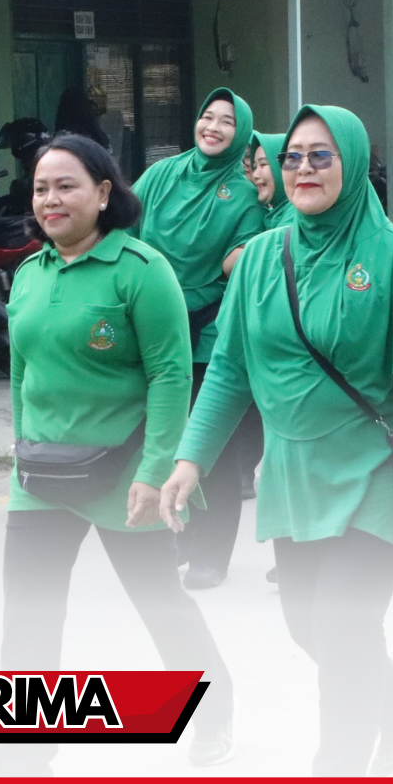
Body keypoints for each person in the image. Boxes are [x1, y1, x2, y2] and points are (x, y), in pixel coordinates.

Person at [160, 104, 393, 778]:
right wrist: (190, 460)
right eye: (292, 157)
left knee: (345, 631)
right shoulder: (262, 258)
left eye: (322, 155)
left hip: (371, 475)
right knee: (307, 626)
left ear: (353, 164)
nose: (303, 169)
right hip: (292, 475)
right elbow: (229, 369)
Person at [0, 133, 234, 771]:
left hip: (125, 475)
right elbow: (20, 373)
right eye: (41, 188)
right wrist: (20, 447)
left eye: (66, 186)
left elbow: (170, 374)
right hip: (40, 474)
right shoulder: (29, 274)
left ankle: (213, 709)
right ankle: (22, 757)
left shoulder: (141, 270)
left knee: (160, 604)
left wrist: (155, 472)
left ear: (103, 193)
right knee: (27, 615)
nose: (50, 200)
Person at [132, 89, 264, 589]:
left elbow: (243, 260)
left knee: (211, 444)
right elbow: (123, 219)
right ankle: (178, 535)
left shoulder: (244, 193)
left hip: (208, 328)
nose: (213, 127)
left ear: (241, 132)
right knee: (162, 437)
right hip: (153, 323)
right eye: (208, 116)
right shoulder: (163, 174)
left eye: (227, 121)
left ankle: (212, 553)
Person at [249, 131, 295, 230]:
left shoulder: (296, 212)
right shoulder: (277, 214)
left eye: (263, 164)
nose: (255, 175)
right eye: (254, 167)